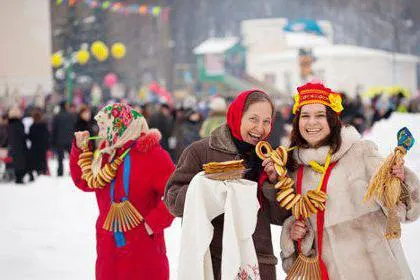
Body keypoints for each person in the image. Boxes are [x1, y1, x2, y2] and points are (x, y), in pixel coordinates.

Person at [279, 82, 420, 279]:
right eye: (305, 116)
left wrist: (400, 182)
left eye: (320, 115)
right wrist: (294, 232)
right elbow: (300, 239)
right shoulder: (295, 170)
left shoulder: (361, 154)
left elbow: (406, 212)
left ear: (332, 120)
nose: (312, 122)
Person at [165, 90, 290, 279]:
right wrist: (208, 189)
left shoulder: (269, 158)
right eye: (253, 119)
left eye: (266, 121)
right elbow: (173, 201)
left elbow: (279, 216)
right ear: (237, 115)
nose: (260, 127)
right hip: (216, 264)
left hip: (258, 264)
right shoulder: (200, 152)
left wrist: (274, 183)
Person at [70, 103, 175, 280]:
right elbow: (84, 181)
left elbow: (177, 192)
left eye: (105, 126)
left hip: (143, 246)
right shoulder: (107, 155)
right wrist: (79, 149)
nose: (101, 132)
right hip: (109, 244)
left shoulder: (153, 155)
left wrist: (153, 224)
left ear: (120, 126)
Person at [8, 106, 32, 184]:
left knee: (16, 161)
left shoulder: (9, 124)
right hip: (20, 146)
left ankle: (17, 176)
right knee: (22, 162)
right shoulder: (19, 123)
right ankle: (20, 177)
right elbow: (23, 135)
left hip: (12, 146)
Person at [52, 101, 76, 176]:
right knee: (71, 157)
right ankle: (72, 171)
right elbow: (74, 128)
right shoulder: (71, 115)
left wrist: (53, 140)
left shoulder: (57, 116)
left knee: (60, 158)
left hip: (59, 140)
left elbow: (54, 129)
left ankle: (60, 171)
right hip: (69, 139)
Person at [28, 108, 50, 175]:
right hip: (43, 147)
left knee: (36, 161)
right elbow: (47, 136)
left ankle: (38, 172)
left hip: (34, 147)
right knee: (43, 160)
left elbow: (30, 137)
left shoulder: (32, 126)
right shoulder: (44, 125)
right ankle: (43, 171)